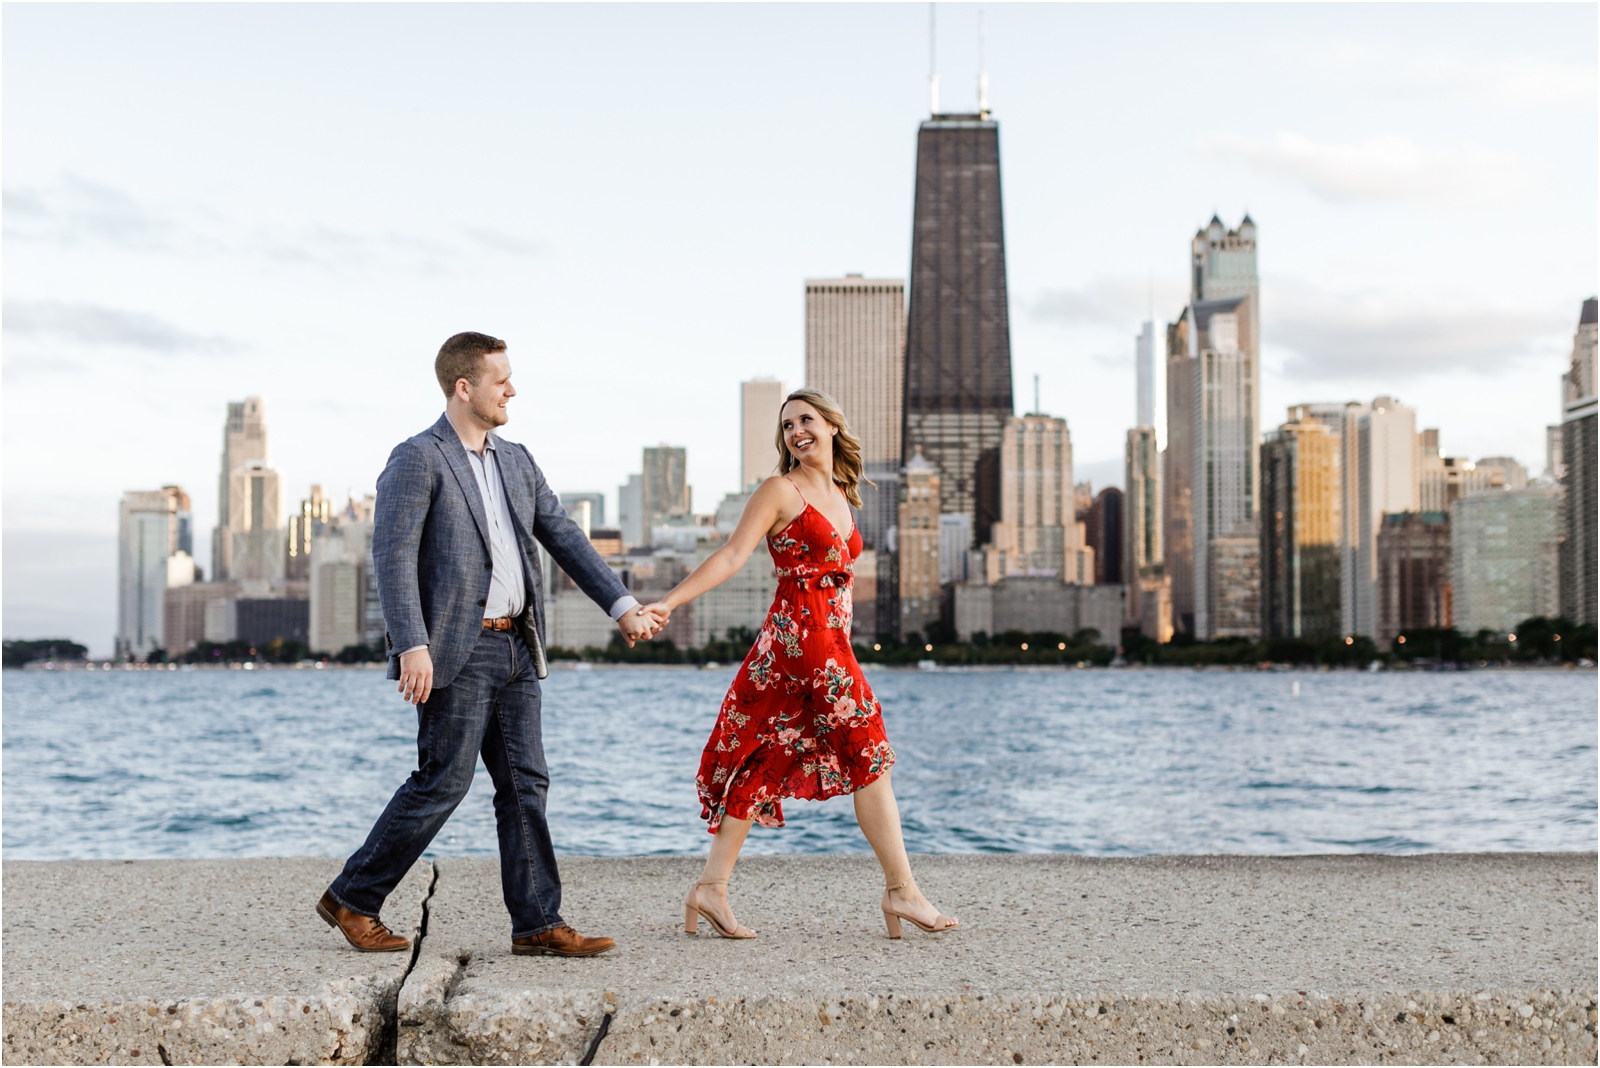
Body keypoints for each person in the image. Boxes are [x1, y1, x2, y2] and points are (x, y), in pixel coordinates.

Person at [316, 331, 659, 957]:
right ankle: (353, 898)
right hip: (457, 647)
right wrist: (410, 644)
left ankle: (537, 924)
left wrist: (622, 605)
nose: (512, 390)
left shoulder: (518, 459)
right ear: (464, 386)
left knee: (527, 784)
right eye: (501, 379)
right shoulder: (417, 457)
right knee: (442, 782)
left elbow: (565, 537)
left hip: (517, 647)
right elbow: (391, 556)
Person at [637, 388, 958, 941]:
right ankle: (901, 891)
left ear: (833, 426)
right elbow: (733, 554)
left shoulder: (841, 492)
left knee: (766, 756)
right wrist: (668, 602)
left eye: (806, 420)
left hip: (823, 642)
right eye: (787, 426)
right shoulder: (779, 490)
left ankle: (710, 888)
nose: (795, 432)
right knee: (868, 749)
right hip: (804, 642)